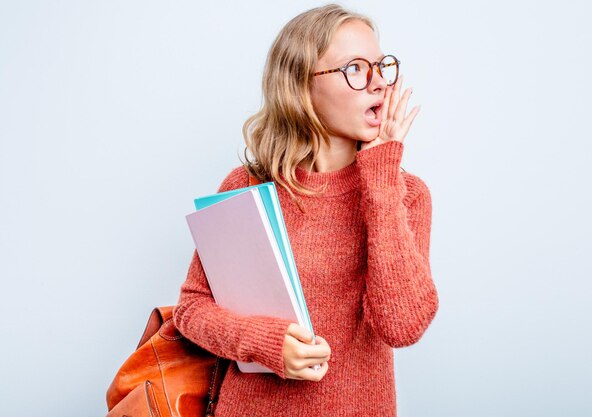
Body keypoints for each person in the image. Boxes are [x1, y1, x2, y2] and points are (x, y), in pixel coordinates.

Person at [173, 4, 439, 416]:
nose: (378, 84)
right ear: (301, 85)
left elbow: (402, 326)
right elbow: (192, 309)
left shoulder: (406, 195)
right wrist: (268, 342)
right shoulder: (246, 187)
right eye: (355, 68)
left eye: (381, 66)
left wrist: (381, 177)